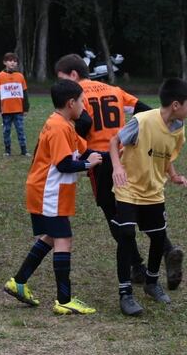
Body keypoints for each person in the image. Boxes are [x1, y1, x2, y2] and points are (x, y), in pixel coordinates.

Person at [53, 55, 176, 289]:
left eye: (61, 79)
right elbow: (145, 111)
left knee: (113, 215)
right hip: (125, 158)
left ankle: (137, 266)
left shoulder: (76, 94)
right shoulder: (115, 89)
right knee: (137, 205)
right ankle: (167, 248)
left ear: (73, 75)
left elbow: (85, 122)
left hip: (101, 161)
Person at [3, 79, 102, 315]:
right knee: (64, 239)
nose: (84, 106)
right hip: (48, 192)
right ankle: (64, 300)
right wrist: (89, 164)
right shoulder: (58, 127)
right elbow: (65, 164)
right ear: (71, 103)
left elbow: (85, 150)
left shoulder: (64, 124)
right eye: (81, 102)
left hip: (52, 191)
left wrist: (113, 156)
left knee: (51, 237)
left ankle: (18, 281)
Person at [108, 78, 187, 317]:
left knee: (158, 238)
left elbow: (166, 157)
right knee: (126, 234)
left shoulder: (178, 129)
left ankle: (151, 283)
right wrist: (117, 167)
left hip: (154, 191)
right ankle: (125, 293)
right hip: (128, 188)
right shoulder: (143, 121)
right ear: (175, 104)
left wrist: (174, 175)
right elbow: (114, 141)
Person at [0, 52, 30, 156]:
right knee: (6, 131)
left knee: (20, 131)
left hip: (18, 110)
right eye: (10, 60)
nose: (13, 62)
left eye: (15, 61)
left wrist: (26, 108)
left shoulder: (20, 76)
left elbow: (25, 93)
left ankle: (24, 150)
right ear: (4, 62)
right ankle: (7, 151)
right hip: (6, 110)